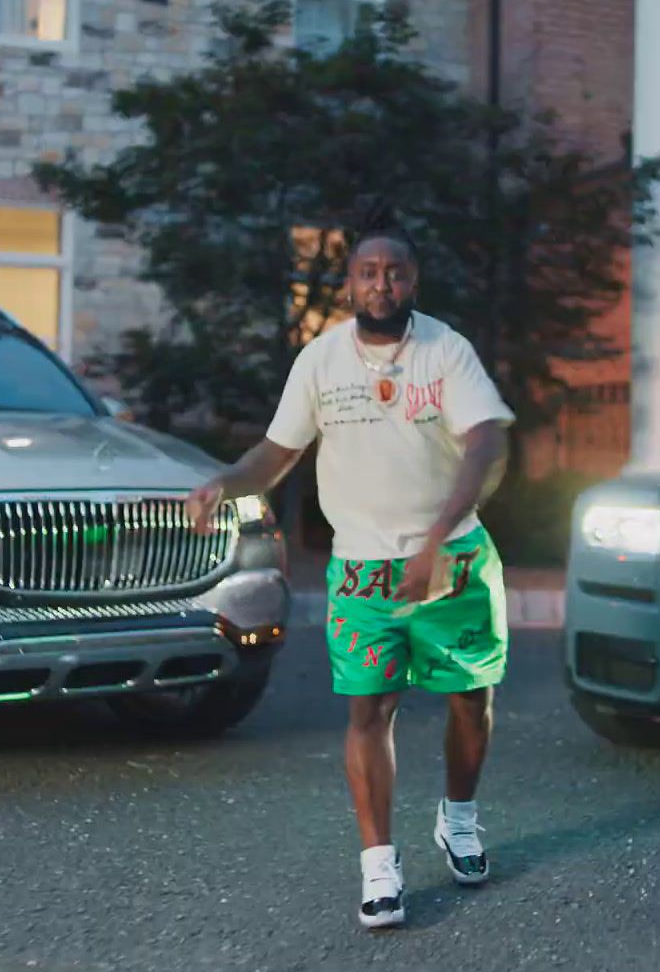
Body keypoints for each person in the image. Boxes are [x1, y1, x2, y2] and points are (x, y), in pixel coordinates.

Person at [185, 201, 514, 930]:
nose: (381, 283)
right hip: (363, 569)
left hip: (452, 561)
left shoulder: (446, 351)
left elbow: (487, 440)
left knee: (469, 700)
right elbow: (276, 453)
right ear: (350, 283)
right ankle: (379, 868)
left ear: (413, 279)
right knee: (370, 708)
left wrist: (433, 540)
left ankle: (459, 818)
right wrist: (224, 482)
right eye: (368, 272)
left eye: (394, 271)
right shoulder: (321, 360)